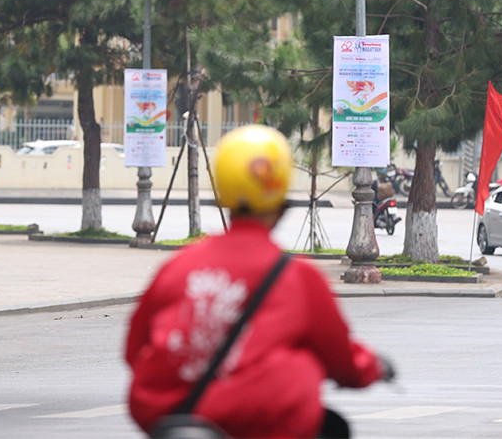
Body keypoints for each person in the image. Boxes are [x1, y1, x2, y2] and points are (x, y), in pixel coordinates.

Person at [125, 124, 392, 439]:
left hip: (174, 421)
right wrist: (373, 367)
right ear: (281, 201)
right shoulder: (299, 278)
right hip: (266, 427)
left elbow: (133, 350)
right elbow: (343, 361)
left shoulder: (177, 268)